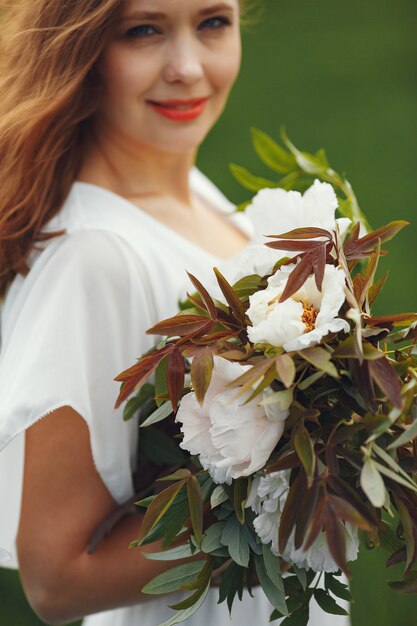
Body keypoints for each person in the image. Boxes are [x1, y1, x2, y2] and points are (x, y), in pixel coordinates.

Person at [0, 1, 350, 625]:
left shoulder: (211, 206)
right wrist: (289, 503)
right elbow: (56, 580)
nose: (188, 68)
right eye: (143, 31)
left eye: (213, 22)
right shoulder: (96, 257)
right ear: (80, 51)